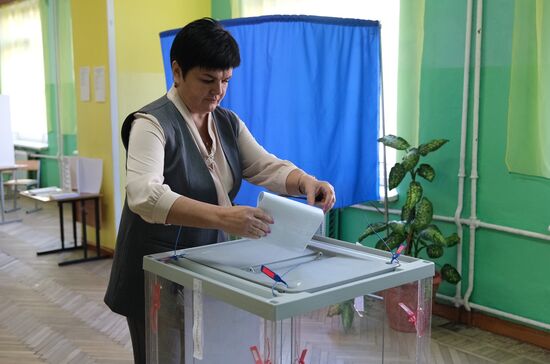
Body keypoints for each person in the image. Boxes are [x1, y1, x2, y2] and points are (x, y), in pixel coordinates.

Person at [104, 17, 335, 363]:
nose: (218, 90)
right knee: (165, 356)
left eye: (226, 80)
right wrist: (225, 217)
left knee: (212, 351)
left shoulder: (226, 121)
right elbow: (144, 195)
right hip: (156, 272)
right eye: (207, 79)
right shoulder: (150, 124)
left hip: (206, 264)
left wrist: (305, 182)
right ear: (178, 72)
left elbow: (263, 165)